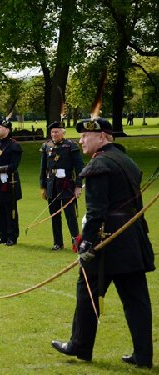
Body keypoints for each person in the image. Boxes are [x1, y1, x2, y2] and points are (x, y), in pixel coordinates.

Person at [51, 117, 155, 368]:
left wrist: (85, 244)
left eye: (87, 135)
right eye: (81, 135)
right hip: (132, 239)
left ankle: (80, 345)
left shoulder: (99, 165)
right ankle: (143, 356)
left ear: (104, 137)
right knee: (136, 299)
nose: (81, 139)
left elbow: (96, 212)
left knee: (86, 290)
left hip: (108, 242)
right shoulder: (126, 161)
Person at [40, 122, 84, 251]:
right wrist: (43, 187)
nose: (54, 134)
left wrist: (78, 186)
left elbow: (79, 167)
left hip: (66, 185)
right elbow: (43, 168)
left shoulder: (70, 146)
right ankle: (58, 243)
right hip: (51, 185)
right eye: (52, 132)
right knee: (54, 215)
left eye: (57, 132)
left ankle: (76, 242)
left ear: (63, 132)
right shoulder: (46, 146)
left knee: (70, 215)